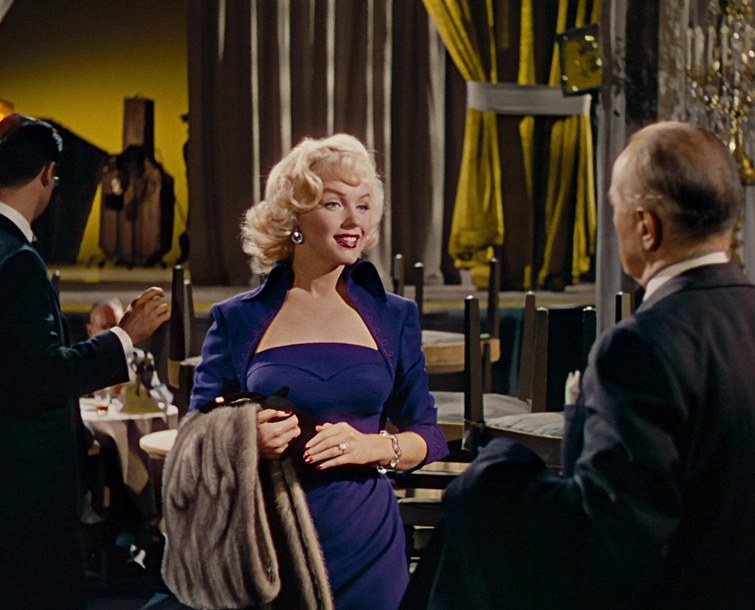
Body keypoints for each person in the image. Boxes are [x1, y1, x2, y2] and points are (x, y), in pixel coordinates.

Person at [422, 121, 755, 609]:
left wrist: (497, 470)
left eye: (614, 208)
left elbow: (609, 540)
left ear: (646, 226)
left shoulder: (640, 346)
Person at [188, 133, 448, 609]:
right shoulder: (238, 318)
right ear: (294, 218)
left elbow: (428, 435)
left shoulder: (395, 316)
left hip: (369, 543)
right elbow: (195, 432)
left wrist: (375, 446)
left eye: (364, 206)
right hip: (270, 547)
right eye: (334, 203)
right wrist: (245, 438)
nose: (354, 220)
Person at [0, 113, 171, 609]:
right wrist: (125, 336)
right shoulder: (18, 259)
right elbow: (42, 375)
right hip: (25, 485)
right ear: (49, 174)